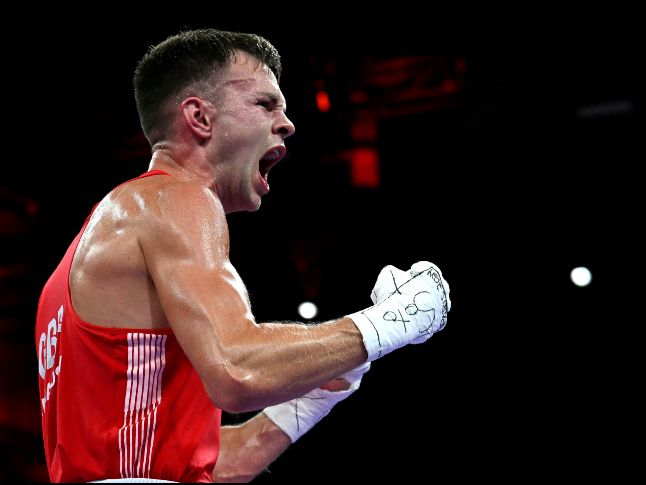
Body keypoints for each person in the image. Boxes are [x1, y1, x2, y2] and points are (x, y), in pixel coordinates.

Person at [34, 28, 451, 483]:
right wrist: (396, 321)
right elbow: (237, 368)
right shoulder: (174, 199)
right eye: (265, 104)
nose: (287, 123)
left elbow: (203, 465)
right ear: (199, 117)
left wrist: (315, 397)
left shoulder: (99, 243)